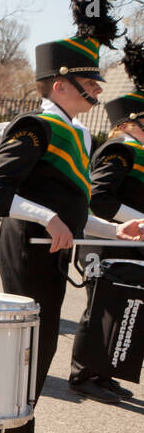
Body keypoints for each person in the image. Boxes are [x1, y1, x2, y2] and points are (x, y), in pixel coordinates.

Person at [0, 0, 144, 433]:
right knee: (28, 341)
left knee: (42, 342)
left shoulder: (75, 134)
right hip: (25, 243)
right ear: (62, 83)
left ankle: (19, 430)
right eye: (90, 80)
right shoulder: (36, 125)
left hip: (49, 244)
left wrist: (115, 230)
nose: (97, 89)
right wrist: (47, 216)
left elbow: (76, 211)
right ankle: (5, 431)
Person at [66, 39, 144, 401]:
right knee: (97, 308)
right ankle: (83, 375)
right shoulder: (118, 148)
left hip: (127, 240)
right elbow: (100, 198)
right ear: (131, 122)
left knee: (118, 306)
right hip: (105, 239)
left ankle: (103, 372)